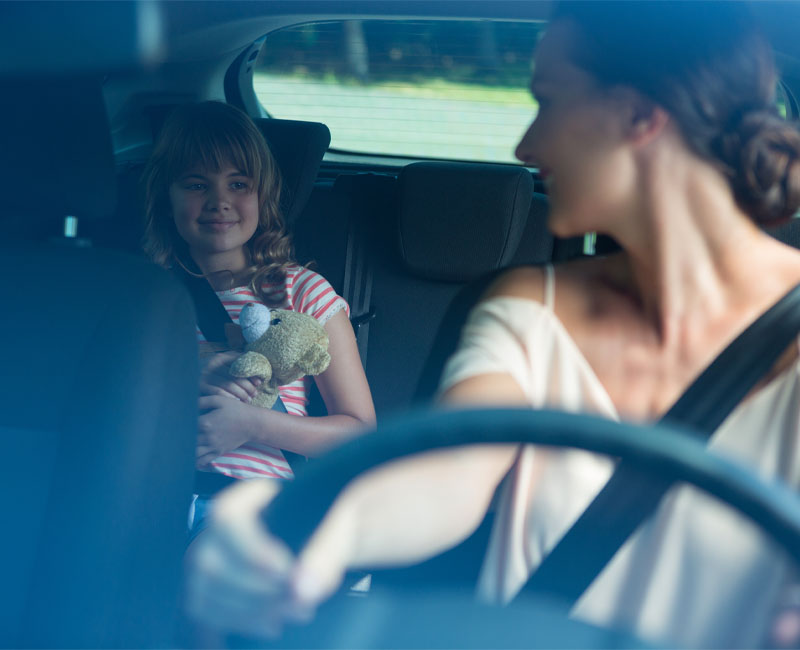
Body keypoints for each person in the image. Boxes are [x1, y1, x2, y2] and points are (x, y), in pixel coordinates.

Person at [184, 4, 800, 647]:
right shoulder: (528, 306)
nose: (525, 147)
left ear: (640, 117)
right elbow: (444, 480)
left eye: (550, 100)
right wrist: (312, 536)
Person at [141, 101, 376, 541]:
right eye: (196, 184)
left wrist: (250, 424)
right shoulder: (143, 292)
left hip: (251, 504)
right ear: (164, 195)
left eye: (238, 183)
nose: (219, 201)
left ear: (263, 197)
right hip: (145, 492)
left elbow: (360, 433)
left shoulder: (302, 291)